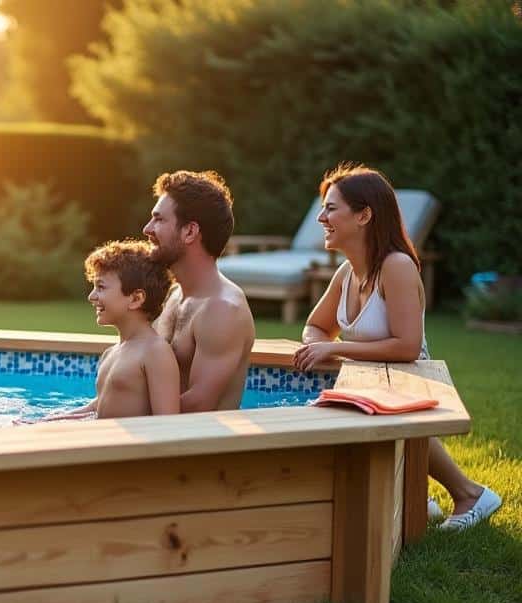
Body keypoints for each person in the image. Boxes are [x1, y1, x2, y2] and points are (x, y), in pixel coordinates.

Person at [294, 163, 501, 531]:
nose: (322, 218)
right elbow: (315, 325)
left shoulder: (397, 266)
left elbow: (407, 346)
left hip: (408, 375)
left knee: (377, 409)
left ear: (364, 215)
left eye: (330, 208)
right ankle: (418, 498)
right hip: (372, 376)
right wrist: (318, 348)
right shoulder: (346, 273)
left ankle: (469, 493)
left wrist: (336, 351)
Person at [145, 170, 256, 411]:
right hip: (160, 435)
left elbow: (199, 404)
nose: (147, 229)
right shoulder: (174, 296)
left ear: (190, 232)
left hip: (196, 443)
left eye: (159, 219)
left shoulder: (223, 309)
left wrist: (116, 417)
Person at [45, 240, 179, 420]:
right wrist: (53, 419)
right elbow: (100, 404)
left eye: (100, 287)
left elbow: (168, 423)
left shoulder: (155, 352)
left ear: (136, 299)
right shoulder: (111, 353)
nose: (91, 296)